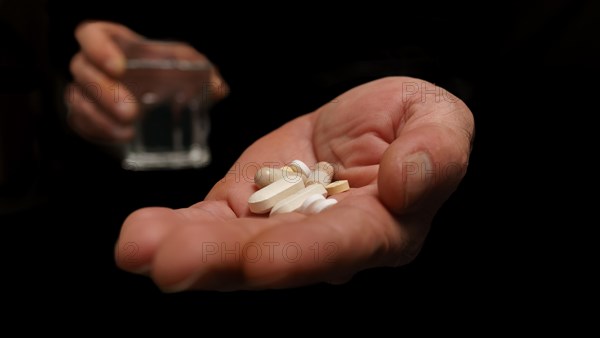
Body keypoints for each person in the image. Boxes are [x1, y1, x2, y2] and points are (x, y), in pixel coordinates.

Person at [65, 21, 474, 292]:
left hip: (350, 133)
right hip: (146, 185)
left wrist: (413, 95)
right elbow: (63, 74)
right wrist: (96, 106)